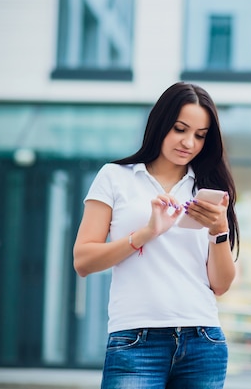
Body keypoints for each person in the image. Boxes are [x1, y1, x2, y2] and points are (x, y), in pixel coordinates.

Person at [73, 81, 239, 389]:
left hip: (203, 339)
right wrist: (147, 233)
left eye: (200, 136)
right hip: (136, 340)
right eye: (180, 129)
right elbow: (83, 261)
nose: (189, 142)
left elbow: (221, 284)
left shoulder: (209, 190)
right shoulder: (115, 177)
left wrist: (219, 232)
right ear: (160, 124)